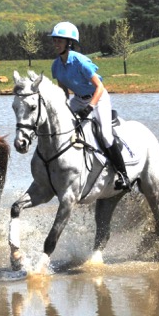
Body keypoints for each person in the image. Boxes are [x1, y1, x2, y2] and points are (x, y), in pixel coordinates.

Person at [49, 21, 130, 190]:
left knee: (106, 135)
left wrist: (90, 107)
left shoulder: (80, 61)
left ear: (69, 43)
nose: (56, 44)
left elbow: (99, 87)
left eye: (59, 40)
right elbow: (64, 91)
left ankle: (123, 175)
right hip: (78, 99)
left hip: (97, 97)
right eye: (54, 40)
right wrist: (62, 108)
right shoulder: (56, 66)